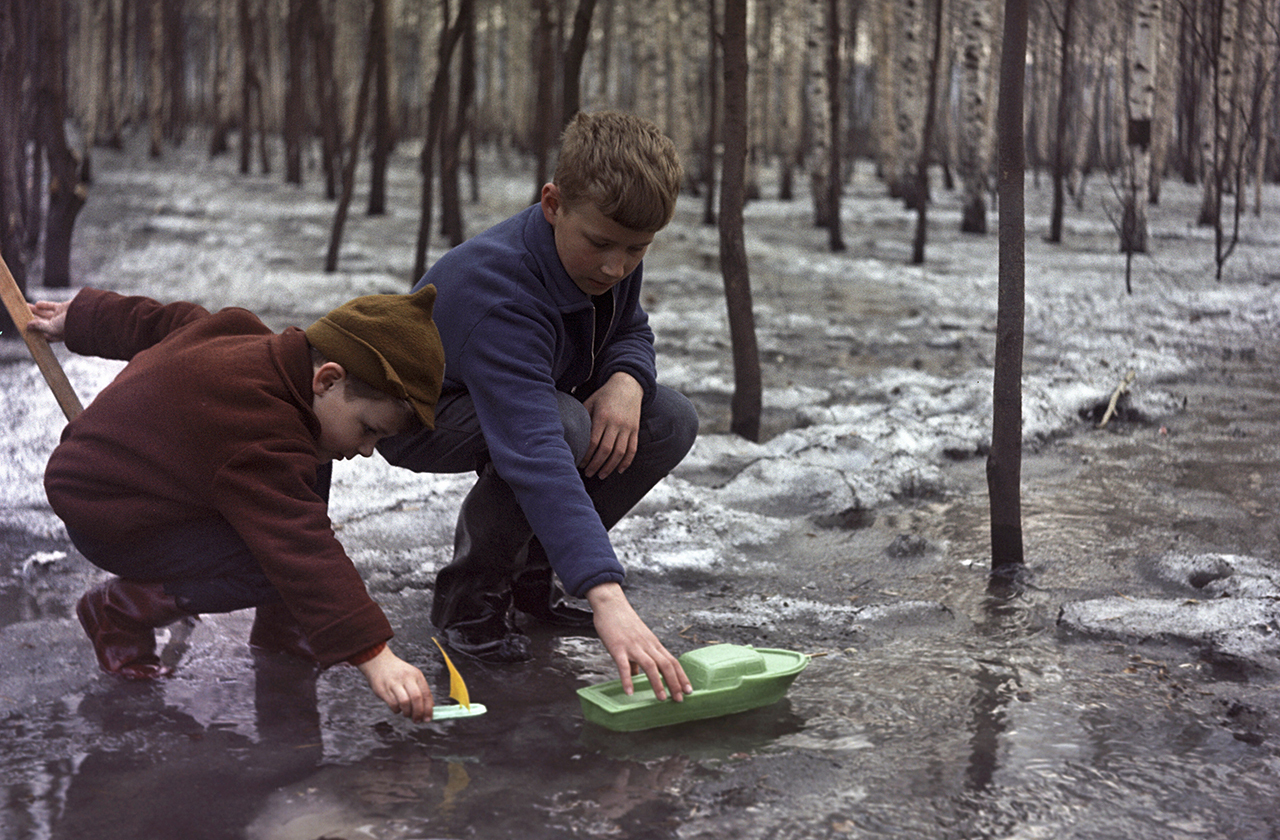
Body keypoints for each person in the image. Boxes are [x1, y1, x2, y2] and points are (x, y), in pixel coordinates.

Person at [378, 110, 698, 702]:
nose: (616, 267)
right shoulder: (500, 290)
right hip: (419, 418)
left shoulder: (612, 249)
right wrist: (606, 596)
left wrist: (627, 379)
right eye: (602, 244)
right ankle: (469, 604)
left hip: (532, 401)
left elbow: (629, 328)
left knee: (667, 419)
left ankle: (529, 578)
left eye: (637, 249)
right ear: (552, 203)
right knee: (563, 425)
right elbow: (535, 452)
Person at [26, 284, 446, 722]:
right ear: (328, 379)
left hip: (145, 484)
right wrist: (374, 653)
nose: (366, 450)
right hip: (114, 516)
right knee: (271, 557)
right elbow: (299, 547)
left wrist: (84, 317)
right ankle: (121, 610)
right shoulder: (259, 430)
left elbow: (164, 322)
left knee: (308, 462)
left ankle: (284, 629)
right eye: (368, 430)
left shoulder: (242, 335)